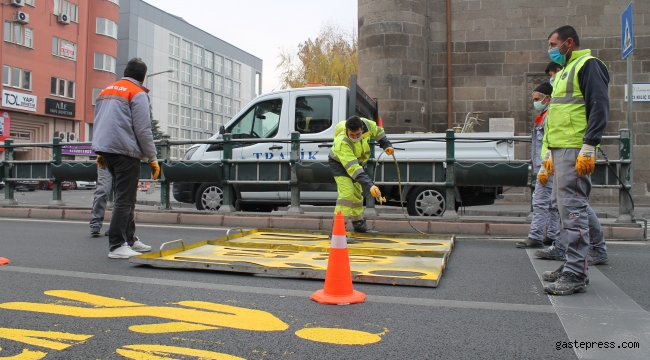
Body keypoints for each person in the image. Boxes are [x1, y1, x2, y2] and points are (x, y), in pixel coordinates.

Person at [538, 25, 609, 295]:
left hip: (574, 150)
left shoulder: (588, 65)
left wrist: (590, 145)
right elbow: (558, 115)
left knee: (574, 211)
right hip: (561, 149)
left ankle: (576, 273)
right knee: (566, 212)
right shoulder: (565, 71)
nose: (551, 50)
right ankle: (572, 264)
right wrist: (548, 152)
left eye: (554, 44)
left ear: (569, 42)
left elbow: (599, 105)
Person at [92, 58, 160, 259]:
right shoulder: (137, 93)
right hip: (125, 151)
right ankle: (117, 244)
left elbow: (99, 121)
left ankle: (130, 239)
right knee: (125, 198)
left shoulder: (106, 91)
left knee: (125, 196)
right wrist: (152, 157)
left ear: (126, 71)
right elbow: (143, 129)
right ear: (143, 76)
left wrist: (99, 151)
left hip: (107, 151)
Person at [328, 116, 394, 233]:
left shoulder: (368, 125)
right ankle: (337, 231)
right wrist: (371, 186)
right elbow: (353, 169)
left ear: (362, 128)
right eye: (352, 135)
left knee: (357, 195)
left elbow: (378, 132)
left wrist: (386, 145)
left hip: (356, 162)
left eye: (358, 135)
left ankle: (359, 225)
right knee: (347, 194)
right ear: (347, 130)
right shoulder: (342, 142)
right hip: (339, 165)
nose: (355, 138)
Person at [516, 82, 560, 249]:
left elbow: (548, 142)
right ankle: (551, 235)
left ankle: (535, 236)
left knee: (540, 201)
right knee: (551, 203)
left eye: (537, 99)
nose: (535, 102)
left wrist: (542, 165)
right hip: (546, 164)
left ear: (547, 98)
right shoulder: (543, 115)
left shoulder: (548, 116)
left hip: (546, 165)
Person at [89, 166, 112, 236]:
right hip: (105, 158)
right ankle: (95, 224)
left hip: (124, 159)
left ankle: (116, 227)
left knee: (121, 193)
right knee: (103, 190)